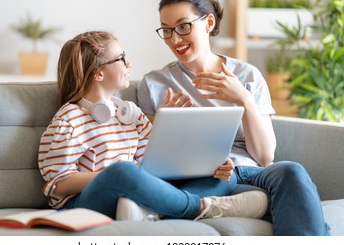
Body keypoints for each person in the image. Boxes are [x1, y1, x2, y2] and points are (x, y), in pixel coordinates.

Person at [137, 0, 330, 236]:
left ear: (208, 23)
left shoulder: (247, 74)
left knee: (291, 171)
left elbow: (264, 157)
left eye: (183, 27)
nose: (175, 39)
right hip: (201, 180)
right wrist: (163, 125)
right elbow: (149, 161)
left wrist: (244, 99)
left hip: (250, 174)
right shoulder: (154, 84)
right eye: (166, 30)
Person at [38, 30, 268, 222]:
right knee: (122, 170)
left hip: (134, 194)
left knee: (222, 174)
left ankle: (154, 212)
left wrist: (170, 131)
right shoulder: (68, 119)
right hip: (84, 205)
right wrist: (117, 175)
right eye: (120, 59)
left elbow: (152, 165)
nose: (129, 63)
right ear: (98, 73)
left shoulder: (129, 112)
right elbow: (59, 184)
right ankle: (202, 208)